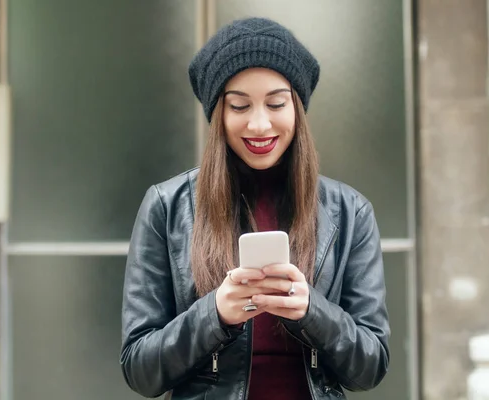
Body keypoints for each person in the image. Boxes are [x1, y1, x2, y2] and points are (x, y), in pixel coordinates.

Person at [120, 17, 390, 400]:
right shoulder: (167, 206)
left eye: (276, 103)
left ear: (297, 109)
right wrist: (214, 314)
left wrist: (312, 310)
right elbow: (140, 370)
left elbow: (370, 367)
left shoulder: (350, 213)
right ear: (219, 115)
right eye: (240, 105)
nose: (259, 124)